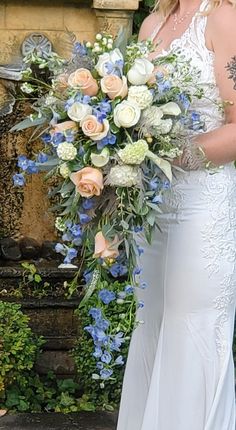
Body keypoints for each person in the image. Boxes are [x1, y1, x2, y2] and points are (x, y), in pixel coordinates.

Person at [116, 1, 236, 429]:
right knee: (152, 329)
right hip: (152, 208)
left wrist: (172, 153)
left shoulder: (224, 19)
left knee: (193, 331)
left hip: (202, 204)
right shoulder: (152, 23)